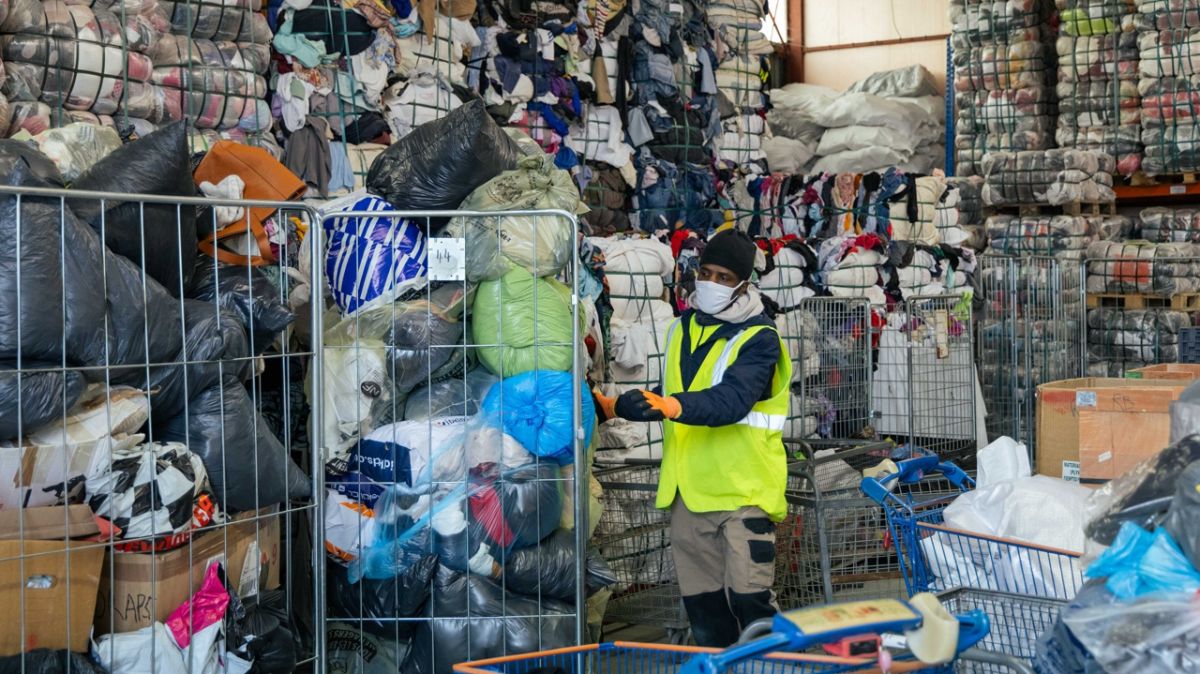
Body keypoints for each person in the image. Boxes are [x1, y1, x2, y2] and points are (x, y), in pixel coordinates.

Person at [594, 229, 792, 647]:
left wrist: (672, 406)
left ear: (743, 284)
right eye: (706, 272)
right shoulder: (680, 329)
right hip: (689, 494)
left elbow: (732, 400)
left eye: (724, 277)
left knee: (751, 601)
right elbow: (668, 396)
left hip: (743, 493)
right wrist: (620, 406)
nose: (712, 284)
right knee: (705, 611)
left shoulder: (760, 338)